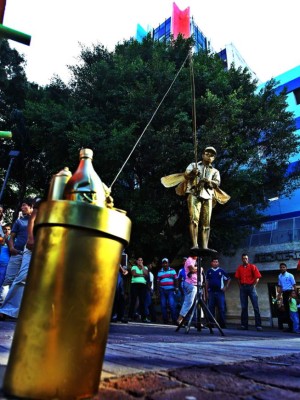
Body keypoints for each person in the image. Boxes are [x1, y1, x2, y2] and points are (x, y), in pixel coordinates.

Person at [161, 147, 230, 250]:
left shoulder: (215, 171)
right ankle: (195, 245)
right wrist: (193, 173)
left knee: (206, 222)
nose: (209, 156)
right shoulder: (194, 165)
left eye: (212, 155)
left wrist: (208, 182)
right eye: (207, 154)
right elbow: (186, 175)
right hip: (194, 194)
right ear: (202, 155)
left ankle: (205, 246)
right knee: (194, 219)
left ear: (214, 158)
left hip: (208, 196)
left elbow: (217, 183)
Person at [0, 198, 39, 320]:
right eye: (21, 206)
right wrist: (11, 247)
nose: (23, 208)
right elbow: (11, 237)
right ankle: (4, 308)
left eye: (25, 205)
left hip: (41, 249)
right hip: (20, 251)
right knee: (13, 279)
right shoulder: (19, 222)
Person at [235, 253, 263, 331]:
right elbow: (237, 278)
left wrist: (253, 285)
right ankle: (244, 325)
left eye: (246, 258)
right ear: (242, 259)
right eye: (243, 258)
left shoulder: (252, 267)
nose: (245, 260)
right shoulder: (239, 268)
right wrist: (240, 286)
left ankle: (258, 325)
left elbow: (257, 277)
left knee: (256, 307)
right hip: (243, 288)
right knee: (244, 307)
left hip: (251, 287)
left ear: (248, 259)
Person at [206, 257, 231, 328]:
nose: (215, 263)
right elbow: (207, 282)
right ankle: (211, 324)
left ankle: (222, 324)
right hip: (211, 292)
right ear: (211, 263)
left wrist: (226, 287)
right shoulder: (209, 271)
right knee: (211, 308)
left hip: (220, 292)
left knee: (221, 308)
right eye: (214, 262)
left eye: (216, 262)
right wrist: (206, 292)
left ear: (218, 263)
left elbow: (229, 279)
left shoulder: (221, 271)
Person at [177, 255, 201, 325]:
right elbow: (192, 270)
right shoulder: (189, 259)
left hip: (197, 284)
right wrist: (200, 268)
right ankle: (180, 319)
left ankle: (198, 321)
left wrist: (198, 268)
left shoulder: (196, 260)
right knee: (189, 302)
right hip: (191, 284)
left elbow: (196, 269)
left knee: (198, 303)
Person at [157, 258, 178, 325]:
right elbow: (158, 282)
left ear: (168, 263)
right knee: (163, 305)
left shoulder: (172, 270)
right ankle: (165, 320)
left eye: (166, 263)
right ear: (162, 264)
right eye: (164, 263)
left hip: (171, 290)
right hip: (162, 290)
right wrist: (158, 290)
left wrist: (176, 288)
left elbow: (176, 280)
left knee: (172, 305)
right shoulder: (160, 272)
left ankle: (174, 320)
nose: (165, 264)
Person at [128, 257, 150, 323]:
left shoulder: (145, 267)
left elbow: (146, 275)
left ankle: (144, 318)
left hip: (143, 285)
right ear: (137, 261)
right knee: (133, 300)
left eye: (141, 260)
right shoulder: (134, 267)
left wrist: (142, 266)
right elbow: (134, 274)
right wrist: (142, 275)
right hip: (135, 284)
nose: (140, 261)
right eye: (139, 260)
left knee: (142, 301)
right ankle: (130, 316)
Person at [277, 262, 296, 332]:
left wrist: (294, 295)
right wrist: (279, 295)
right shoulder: (279, 276)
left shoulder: (290, 275)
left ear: (286, 268)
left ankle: (295, 327)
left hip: (290, 293)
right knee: (287, 311)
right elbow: (280, 286)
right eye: (281, 267)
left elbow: (294, 285)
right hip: (284, 293)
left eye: (283, 267)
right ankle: (290, 328)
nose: (282, 268)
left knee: (292, 310)